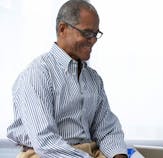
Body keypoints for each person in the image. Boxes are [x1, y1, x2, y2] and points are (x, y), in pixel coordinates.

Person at [7, 0, 127, 158]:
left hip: (89, 152)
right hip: (45, 154)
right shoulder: (37, 75)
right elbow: (45, 142)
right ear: (62, 29)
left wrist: (119, 156)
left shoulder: (93, 79)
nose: (93, 40)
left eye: (96, 34)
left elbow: (107, 130)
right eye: (87, 33)